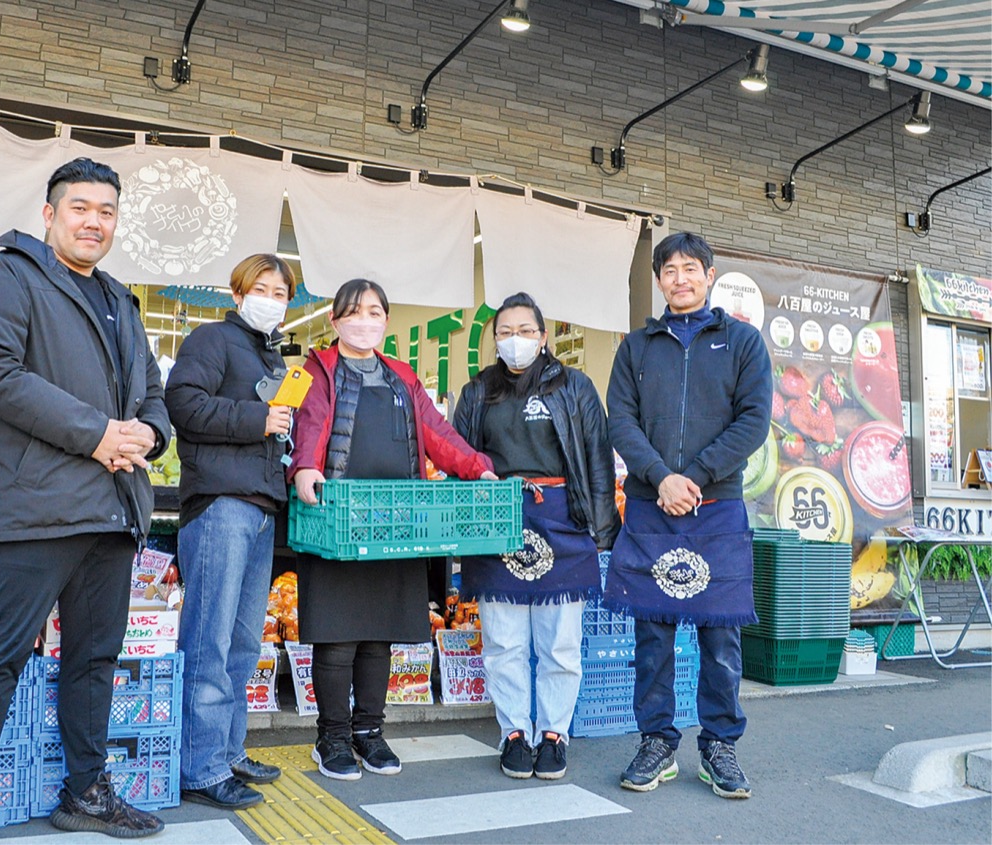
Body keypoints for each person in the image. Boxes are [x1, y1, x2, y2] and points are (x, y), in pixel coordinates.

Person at [0, 158, 170, 844]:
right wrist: (97, 433)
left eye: (106, 211)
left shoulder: (122, 301)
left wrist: (151, 434)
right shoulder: (11, 278)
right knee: (0, 657)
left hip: (113, 508)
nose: (93, 221)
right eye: (80, 207)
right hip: (37, 510)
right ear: (49, 214)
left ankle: (86, 791)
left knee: (95, 661)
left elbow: (152, 392)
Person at [288, 279, 496, 780]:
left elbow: (436, 434)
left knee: (378, 635)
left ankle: (369, 731)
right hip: (337, 519)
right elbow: (308, 424)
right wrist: (304, 467)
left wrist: (477, 468)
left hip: (395, 521)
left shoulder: (403, 376)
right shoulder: (315, 370)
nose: (364, 321)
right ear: (335, 320)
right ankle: (331, 737)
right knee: (337, 636)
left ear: (386, 320)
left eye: (374, 312)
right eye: (353, 312)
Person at [604, 232, 772, 799]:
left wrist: (695, 476)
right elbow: (620, 420)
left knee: (720, 636)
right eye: (669, 270)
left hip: (717, 506)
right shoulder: (635, 347)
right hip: (651, 505)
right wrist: (661, 478)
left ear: (709, 274)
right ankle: (656, 741)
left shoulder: (743, 342)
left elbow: (753, 420)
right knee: (652, 635)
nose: (680, 278)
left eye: (690, 268)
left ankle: (720, 745)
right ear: (658, 281)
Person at [453, 292, 620, 780]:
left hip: (563, 520)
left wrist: (602, 530)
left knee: (560, 644)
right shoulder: (477, 391)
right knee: (502, 642)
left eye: (525, 331)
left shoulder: (574, 386)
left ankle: (553, 733)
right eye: (505, 332)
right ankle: (513, 733)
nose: (515, 340)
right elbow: (460, 456)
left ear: (544, 337)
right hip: (497, 521)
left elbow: (597, 457)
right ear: (495, 339)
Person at [163, 254, 297, 809]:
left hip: (261, 508)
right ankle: (200, 767)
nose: (271, 299)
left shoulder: (272, 354)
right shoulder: (211, 340)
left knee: (242, 643)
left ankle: (228, 751)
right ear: (237, 293)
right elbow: (182, 403)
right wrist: (257, 419)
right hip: (220, 504)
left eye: (280, 293)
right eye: (261, 288)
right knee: (209, 641)